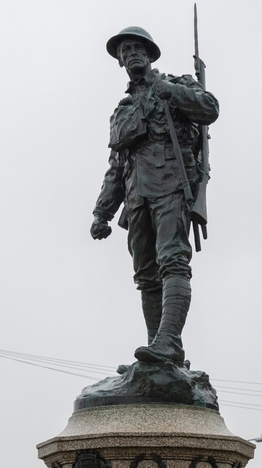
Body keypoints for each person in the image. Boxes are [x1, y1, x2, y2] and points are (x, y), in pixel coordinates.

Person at [91, 26, 219, 366]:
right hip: (136, 198)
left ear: (150, 54)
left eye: (137, 48)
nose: (131, 53)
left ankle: (169, 341)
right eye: (125, 50)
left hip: (171, 185)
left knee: (173, 261)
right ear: (120, 60)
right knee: (146, 276)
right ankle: (157, 351)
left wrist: (169, 91)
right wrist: (102, 212)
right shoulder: (122, 110)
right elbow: (117, 165)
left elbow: (209, 109)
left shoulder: (175, 85)